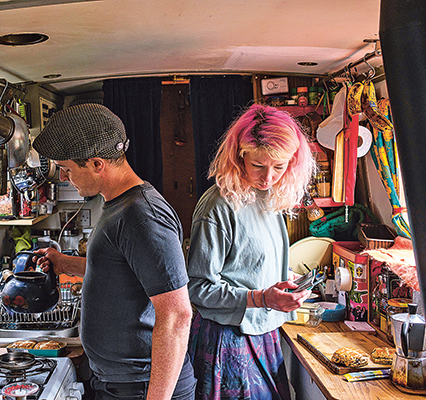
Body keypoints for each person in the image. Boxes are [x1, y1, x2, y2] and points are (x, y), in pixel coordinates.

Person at [32, 103, 196, 400]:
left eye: (68, 168)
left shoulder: (142, 216)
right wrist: (64, 263)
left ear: (97, 164)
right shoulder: (118, 206)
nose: (65, 177)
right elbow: (120, 271)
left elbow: (177, 314)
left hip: (144, 386)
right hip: (122, 383)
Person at [187, 104, 316, 400]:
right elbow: (197, 288)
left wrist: (285, 280)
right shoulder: (218, 206)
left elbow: (249, 264)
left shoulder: (267, 196)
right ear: (239, 156)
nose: (268, 177)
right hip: (228, 339)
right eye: (258, 165)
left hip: (265, 331)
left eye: (279, 166)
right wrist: (261, 297)